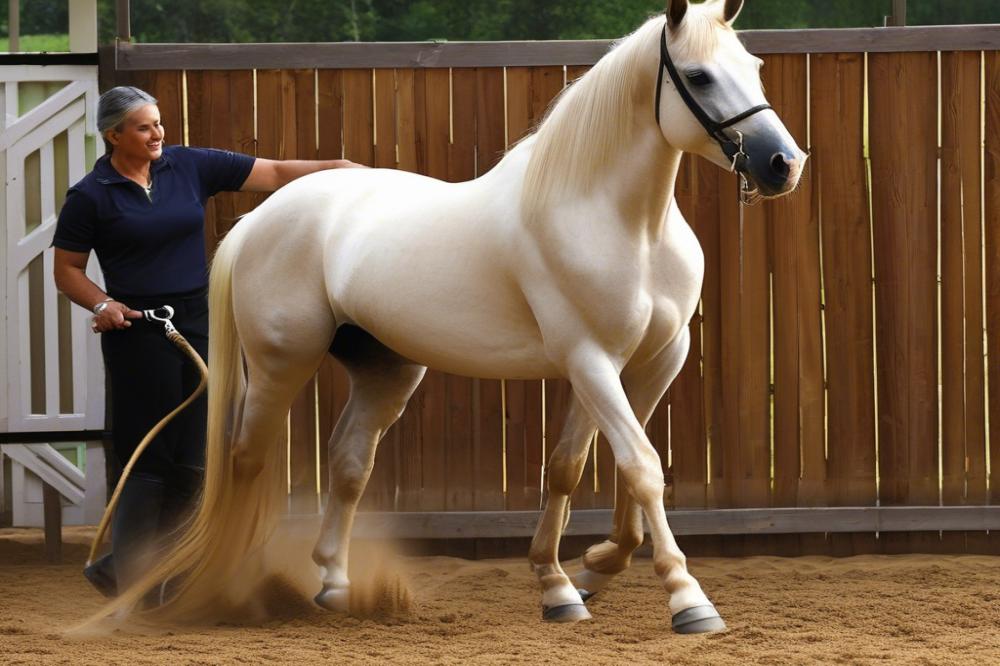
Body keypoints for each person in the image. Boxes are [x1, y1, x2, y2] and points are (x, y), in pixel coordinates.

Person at [52, 86, 360, 598]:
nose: (158, 134)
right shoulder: (91, 195)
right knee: (149, 459)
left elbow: (277, 173)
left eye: (158, 124)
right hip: (137, 331)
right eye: (144, 127)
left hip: (198, 323)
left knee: (194, 458)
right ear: (114, 135)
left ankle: (152, 572)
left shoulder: (190, 166)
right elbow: (67, 269)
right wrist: (103, 305)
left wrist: (346, 170)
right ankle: (134, 583)